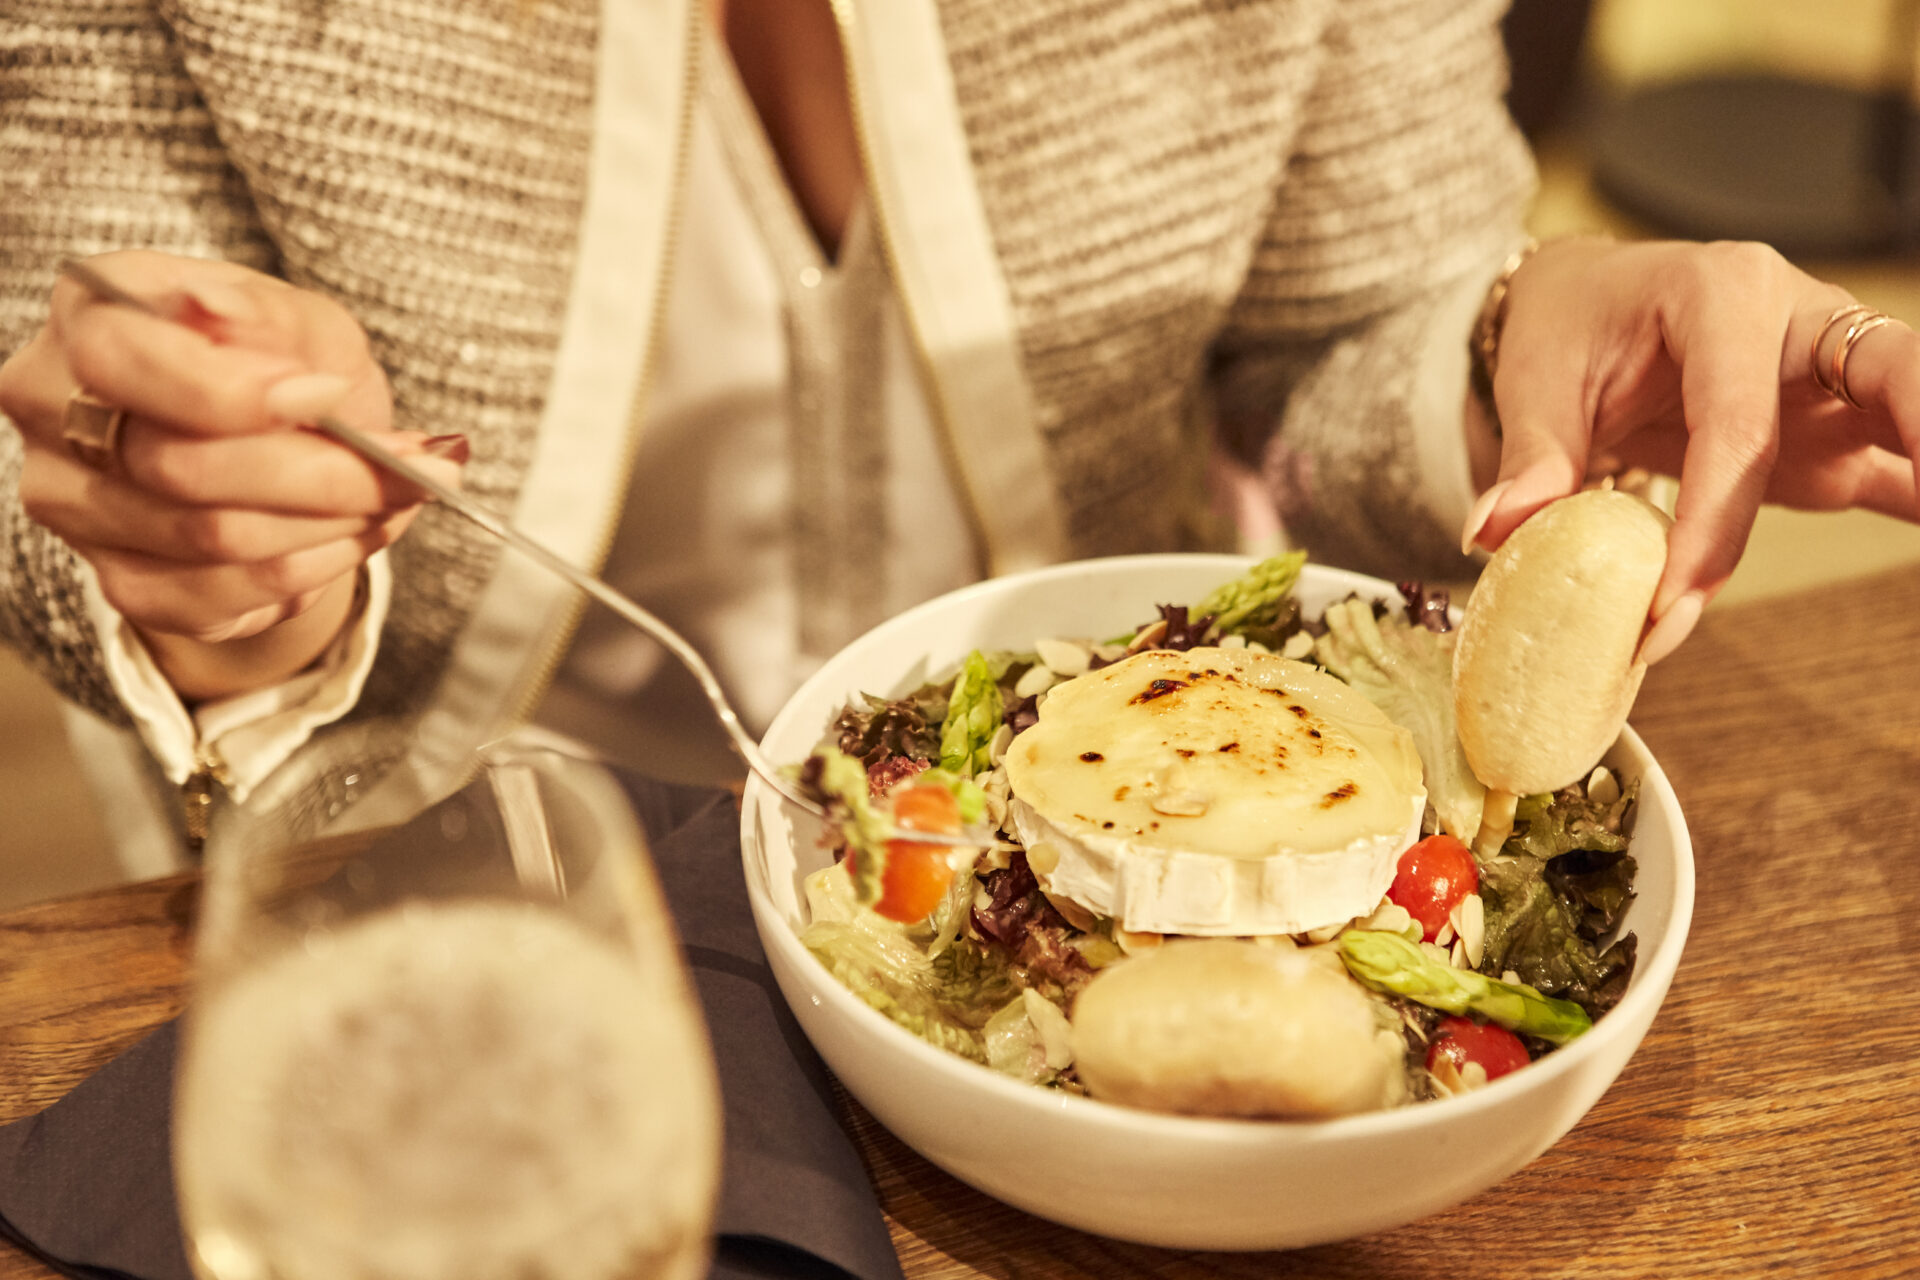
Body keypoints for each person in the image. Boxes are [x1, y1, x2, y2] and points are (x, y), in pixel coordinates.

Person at [2, 0, 1915, 867]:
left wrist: (1496, 356)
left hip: (1147, 819)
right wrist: (214, 557)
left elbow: (1326, 357)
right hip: (441, 866)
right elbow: (50, 419)